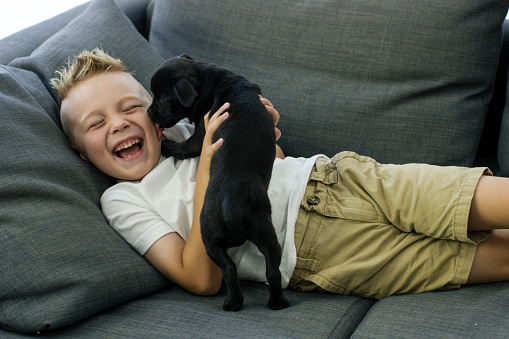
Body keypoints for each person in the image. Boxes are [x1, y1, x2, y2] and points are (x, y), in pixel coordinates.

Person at [51, 48, 509, 300]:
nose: (119, 123)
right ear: (80, 151)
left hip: (335, 179)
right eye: (96, 123)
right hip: (316, 254)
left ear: (158, 115)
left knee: (471, 196)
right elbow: (201, 279)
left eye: (131, 107)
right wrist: (211, 161)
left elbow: (269, 167)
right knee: (496, 257)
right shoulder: (123, 201)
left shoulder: (194, 127)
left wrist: (262, 135)